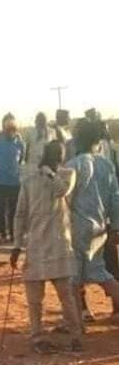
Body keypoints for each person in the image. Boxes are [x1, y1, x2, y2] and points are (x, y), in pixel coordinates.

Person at [11, 140, 82, 352]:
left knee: (66, 296)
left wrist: (50, 173)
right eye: (54, 154)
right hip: (36, 245)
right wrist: (16, 245)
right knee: (34, 299)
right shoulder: (30, 181)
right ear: (46, 155)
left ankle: (76, 335)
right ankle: (37, 337)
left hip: (59, 244)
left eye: (60, 154)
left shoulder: (67, 175)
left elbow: (61, 191)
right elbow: (20, 214)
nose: (58, 158)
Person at [66, 119, 119, 322]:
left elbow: (65, 198)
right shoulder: (106, 165)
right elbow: (115, 198)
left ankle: (77, 322)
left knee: (74, 277)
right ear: (97, 141)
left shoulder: (73, 166)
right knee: (101, 273)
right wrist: (115, 227)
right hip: (100, 227)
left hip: (78, 227)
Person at [0, 113, 25, 243]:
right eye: (8, 129)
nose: (10, 132)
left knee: (14, 212)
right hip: (0, 181)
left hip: (15, 182)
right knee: (0, 210)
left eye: (13, 129)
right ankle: (3, 235)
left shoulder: (21, 143)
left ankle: (13, 235)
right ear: (4, 129)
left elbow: (22, 159)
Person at [25, 112, 55, 177]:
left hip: (46, 167)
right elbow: (26, 150)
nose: (40, 123)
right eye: (38, 121)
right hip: (32, 166)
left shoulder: (51, 132)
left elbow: (54, 149)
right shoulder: (30, 132)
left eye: (42, 121)